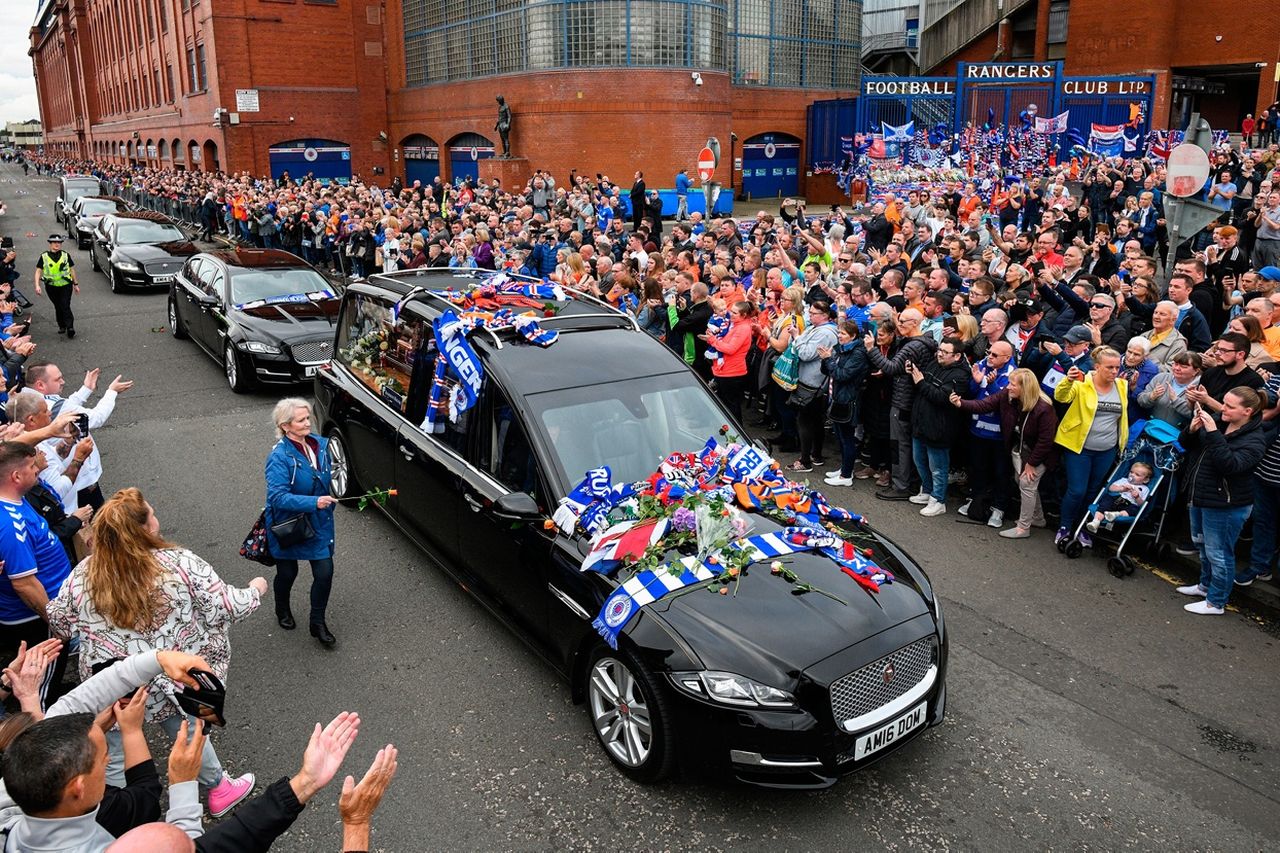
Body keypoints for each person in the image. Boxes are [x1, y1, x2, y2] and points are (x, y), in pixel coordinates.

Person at [46, 487, 265, 818]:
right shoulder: (180, 563)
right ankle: (218, 788)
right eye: (151, 512)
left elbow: (59, 619)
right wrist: (256, 589)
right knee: (188, 732)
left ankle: (111, 812)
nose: (155, 517)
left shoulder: (83, 575)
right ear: (145, 527)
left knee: (112, 744)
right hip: (173, 680)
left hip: (114, 684)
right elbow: (227, 607)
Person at [1176, 388, 1268, 615]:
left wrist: (1213, 432)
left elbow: (1230, 466)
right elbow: (1187, 445)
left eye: (1229, 406)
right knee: (1203, 547)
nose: (1221, 408)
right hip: (1201, 495)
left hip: (1227, 504)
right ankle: (1204, 586)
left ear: (1247, 411)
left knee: (1219, 553)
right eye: (1223, 403)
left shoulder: (1255, 440)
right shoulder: (1221, 421)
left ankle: (1216, 602)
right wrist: (1192, 430)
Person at [0, 442, 75, 707]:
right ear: (16, 476)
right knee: (40, 679)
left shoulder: (16, 500)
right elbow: (24, 584)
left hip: (42, 612)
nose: (37, 469)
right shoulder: (10, 525)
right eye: (32, 467)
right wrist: (55, 620)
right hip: (35, 618)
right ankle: (37, 725)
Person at [952, 367, 1059, 539]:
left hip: (1040, 453)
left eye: (1013, 384)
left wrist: (1032, 463)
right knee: (1021, 480)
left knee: (1026, 482)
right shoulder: (1008, 397)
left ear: (1025, 388)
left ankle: (1023, 528)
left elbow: (1045, 442)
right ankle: (1038, 518)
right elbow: (985, 404)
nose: (1008, 387)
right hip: (1022, 449)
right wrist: (961, 403)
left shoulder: (1043, 408)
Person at [266, 398, 338, 646]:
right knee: (288, 572)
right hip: (290, 524)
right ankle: (281, 608)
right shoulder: (279, 458)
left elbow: (327, 477)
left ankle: (317, 622)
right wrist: (313, 502)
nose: (308, 423)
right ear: (286, 426)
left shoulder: (319, 444)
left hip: (318, 523)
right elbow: (277, 497)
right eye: (301, 420)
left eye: (308, 418)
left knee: (325, 572)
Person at [1053, 346, 1128, 548]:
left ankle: (1082, 528)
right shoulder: (1083, 382)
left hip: (1107, 449)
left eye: (1117, 367)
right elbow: (1061, 397)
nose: (1114, 372)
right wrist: (1068, 380)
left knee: (1093, 491)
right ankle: (1065, 527)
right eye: (1109, 367)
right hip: (1079, 447)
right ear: (1097, 367)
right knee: (1077, 490)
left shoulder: (1122, 385)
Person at [905, 338, 970, 517]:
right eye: (939, 350)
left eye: (945, 352)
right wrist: (914, 375)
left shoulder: (961, 376)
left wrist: (920, 382)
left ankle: (938, 500)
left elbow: (941, 398)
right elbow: (922, 386)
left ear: (957, 356)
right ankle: (926, 491)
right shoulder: (935, 364)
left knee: (938, 468)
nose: (940, 354)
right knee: (920, 461)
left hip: (939, 428)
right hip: (921, 423)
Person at [786, 301, 839, 473]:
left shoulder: (825, 333)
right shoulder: (816, 328)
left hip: (812, 383)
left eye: (814, 313)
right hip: (813, 381)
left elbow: (806, 354)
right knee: (816, 421)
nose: (810, 315)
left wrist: (796, 336)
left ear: (825, 315)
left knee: (805, 421)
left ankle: (805, 461)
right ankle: (816, 455)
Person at [819, 320, 870, 487]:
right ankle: (843, 468)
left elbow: (842, 375)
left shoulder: (858, 354)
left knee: (847, 438)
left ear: (853, 336)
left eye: (843, 334)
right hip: (837, 398)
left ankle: (846, 475)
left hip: (848, 400)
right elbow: (828, 370)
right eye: (839, 333)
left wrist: (829, 360)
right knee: (840, 437)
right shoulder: (841, 349)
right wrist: (825, 359)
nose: (839, 336)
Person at [705, 301, 754, 423]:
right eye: (730, 310)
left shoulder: (742, 328)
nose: (730, 314)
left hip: (732, 373)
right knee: (726, 406)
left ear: (743, 315)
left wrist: (712, 340)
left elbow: (730, 349)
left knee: (731, 407)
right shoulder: (735, 324)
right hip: (726, 371)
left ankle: (737, 435)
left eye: (734, 313)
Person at [1137, 351, 1203, 429]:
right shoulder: (1161, 378)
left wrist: (1175, 400)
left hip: (1177, 436)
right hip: (1150, 429)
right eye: (1175, 364)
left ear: (1196, 371)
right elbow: (1141, 401)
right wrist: (1151, 396)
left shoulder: (1200, 388)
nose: (1177, 368)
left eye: (1184, 366)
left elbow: (1196, 415)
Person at [32, 235, 79, 338]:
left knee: (65, 305)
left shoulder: (66, 255)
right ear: (50, 244)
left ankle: (70, 327)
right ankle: (62, 325)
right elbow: (38, 271)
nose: (57, 244)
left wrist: (75, 284)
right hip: (51, 287)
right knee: (58, 306)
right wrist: (37, 285)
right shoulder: (44, 256)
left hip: (65, 285)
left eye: (59, 242)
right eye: (54, 242)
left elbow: (72, 270)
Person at [1086, 461, 1153, 533]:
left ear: (1145, 480)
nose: (1132, 475)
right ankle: (1096, 521)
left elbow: (1141, 504)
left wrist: (1137, 497)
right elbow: (1110, 488)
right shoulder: (1123, 480)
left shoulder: (1145, 489)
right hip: (1116, 499)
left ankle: (1116, 514)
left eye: (1137, 474)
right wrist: (1121, 489)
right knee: (1107, 500)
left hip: (1129, 505)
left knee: (1134, 509)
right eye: (1131, 472)